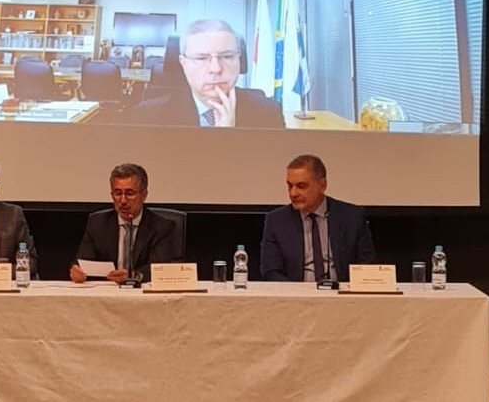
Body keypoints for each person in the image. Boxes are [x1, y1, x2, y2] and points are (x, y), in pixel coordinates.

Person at [123, 19, 284, 128]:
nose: (216, 68)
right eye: (201, 58)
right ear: (183, 63)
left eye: (227, 57)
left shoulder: (268, 112)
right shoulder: (148, 116)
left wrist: (231, 139)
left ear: (239, 60)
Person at [260, 154, 374, 282]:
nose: (293, 193)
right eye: (290, 186)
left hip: (341, 291)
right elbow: (270, 271)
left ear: (322, 185)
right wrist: (296, 291)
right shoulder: (277, 221)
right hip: (296, 292)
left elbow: (366, 264)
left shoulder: (352, 217)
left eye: (301, 186)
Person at [69, 163, 176, 284]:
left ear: (144, 195)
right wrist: (77, 270)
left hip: (140, 291)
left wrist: (134, 276)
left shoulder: (161, 227)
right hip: (107, 289)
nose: (123, 201)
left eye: (129, 193)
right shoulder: (98, 223)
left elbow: (159, 268)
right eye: (118, 193)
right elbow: (83, 260)